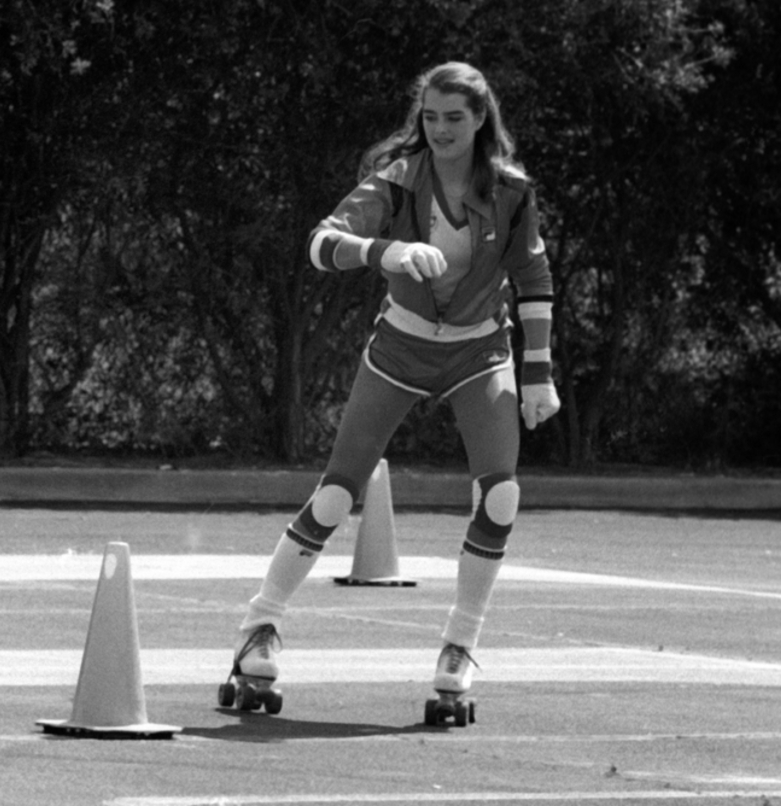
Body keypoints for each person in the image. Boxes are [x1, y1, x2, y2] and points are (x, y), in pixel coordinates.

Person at [230, 61, 560, 707]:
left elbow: (534, 278)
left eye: (454, 118)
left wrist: (538, 374)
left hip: (479, 353)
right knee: (334, 496)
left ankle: (460, 645)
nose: (440, 130)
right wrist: (386, 252)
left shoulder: (512, 190)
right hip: (399, 350)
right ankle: (258, 628)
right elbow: (322, 243)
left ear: (481, 120)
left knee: (500, 499)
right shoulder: (397, 180)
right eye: (430, 117)